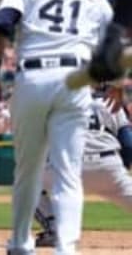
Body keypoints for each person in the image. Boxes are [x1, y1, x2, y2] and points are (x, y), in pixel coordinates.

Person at [0, 0, 113, 254]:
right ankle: (66, 248)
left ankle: (19, 244)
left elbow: (1, 25)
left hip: (33, 76)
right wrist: (116, 83)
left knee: (28, 170)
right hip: (75, 79)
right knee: (68, 172)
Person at [34, 89, 132, 247]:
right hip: (107, 165)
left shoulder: (60, 102)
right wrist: (122, 172)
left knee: (28, 183)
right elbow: (127, 144)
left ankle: (54, 230)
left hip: (68, 168)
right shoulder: (112, 101)